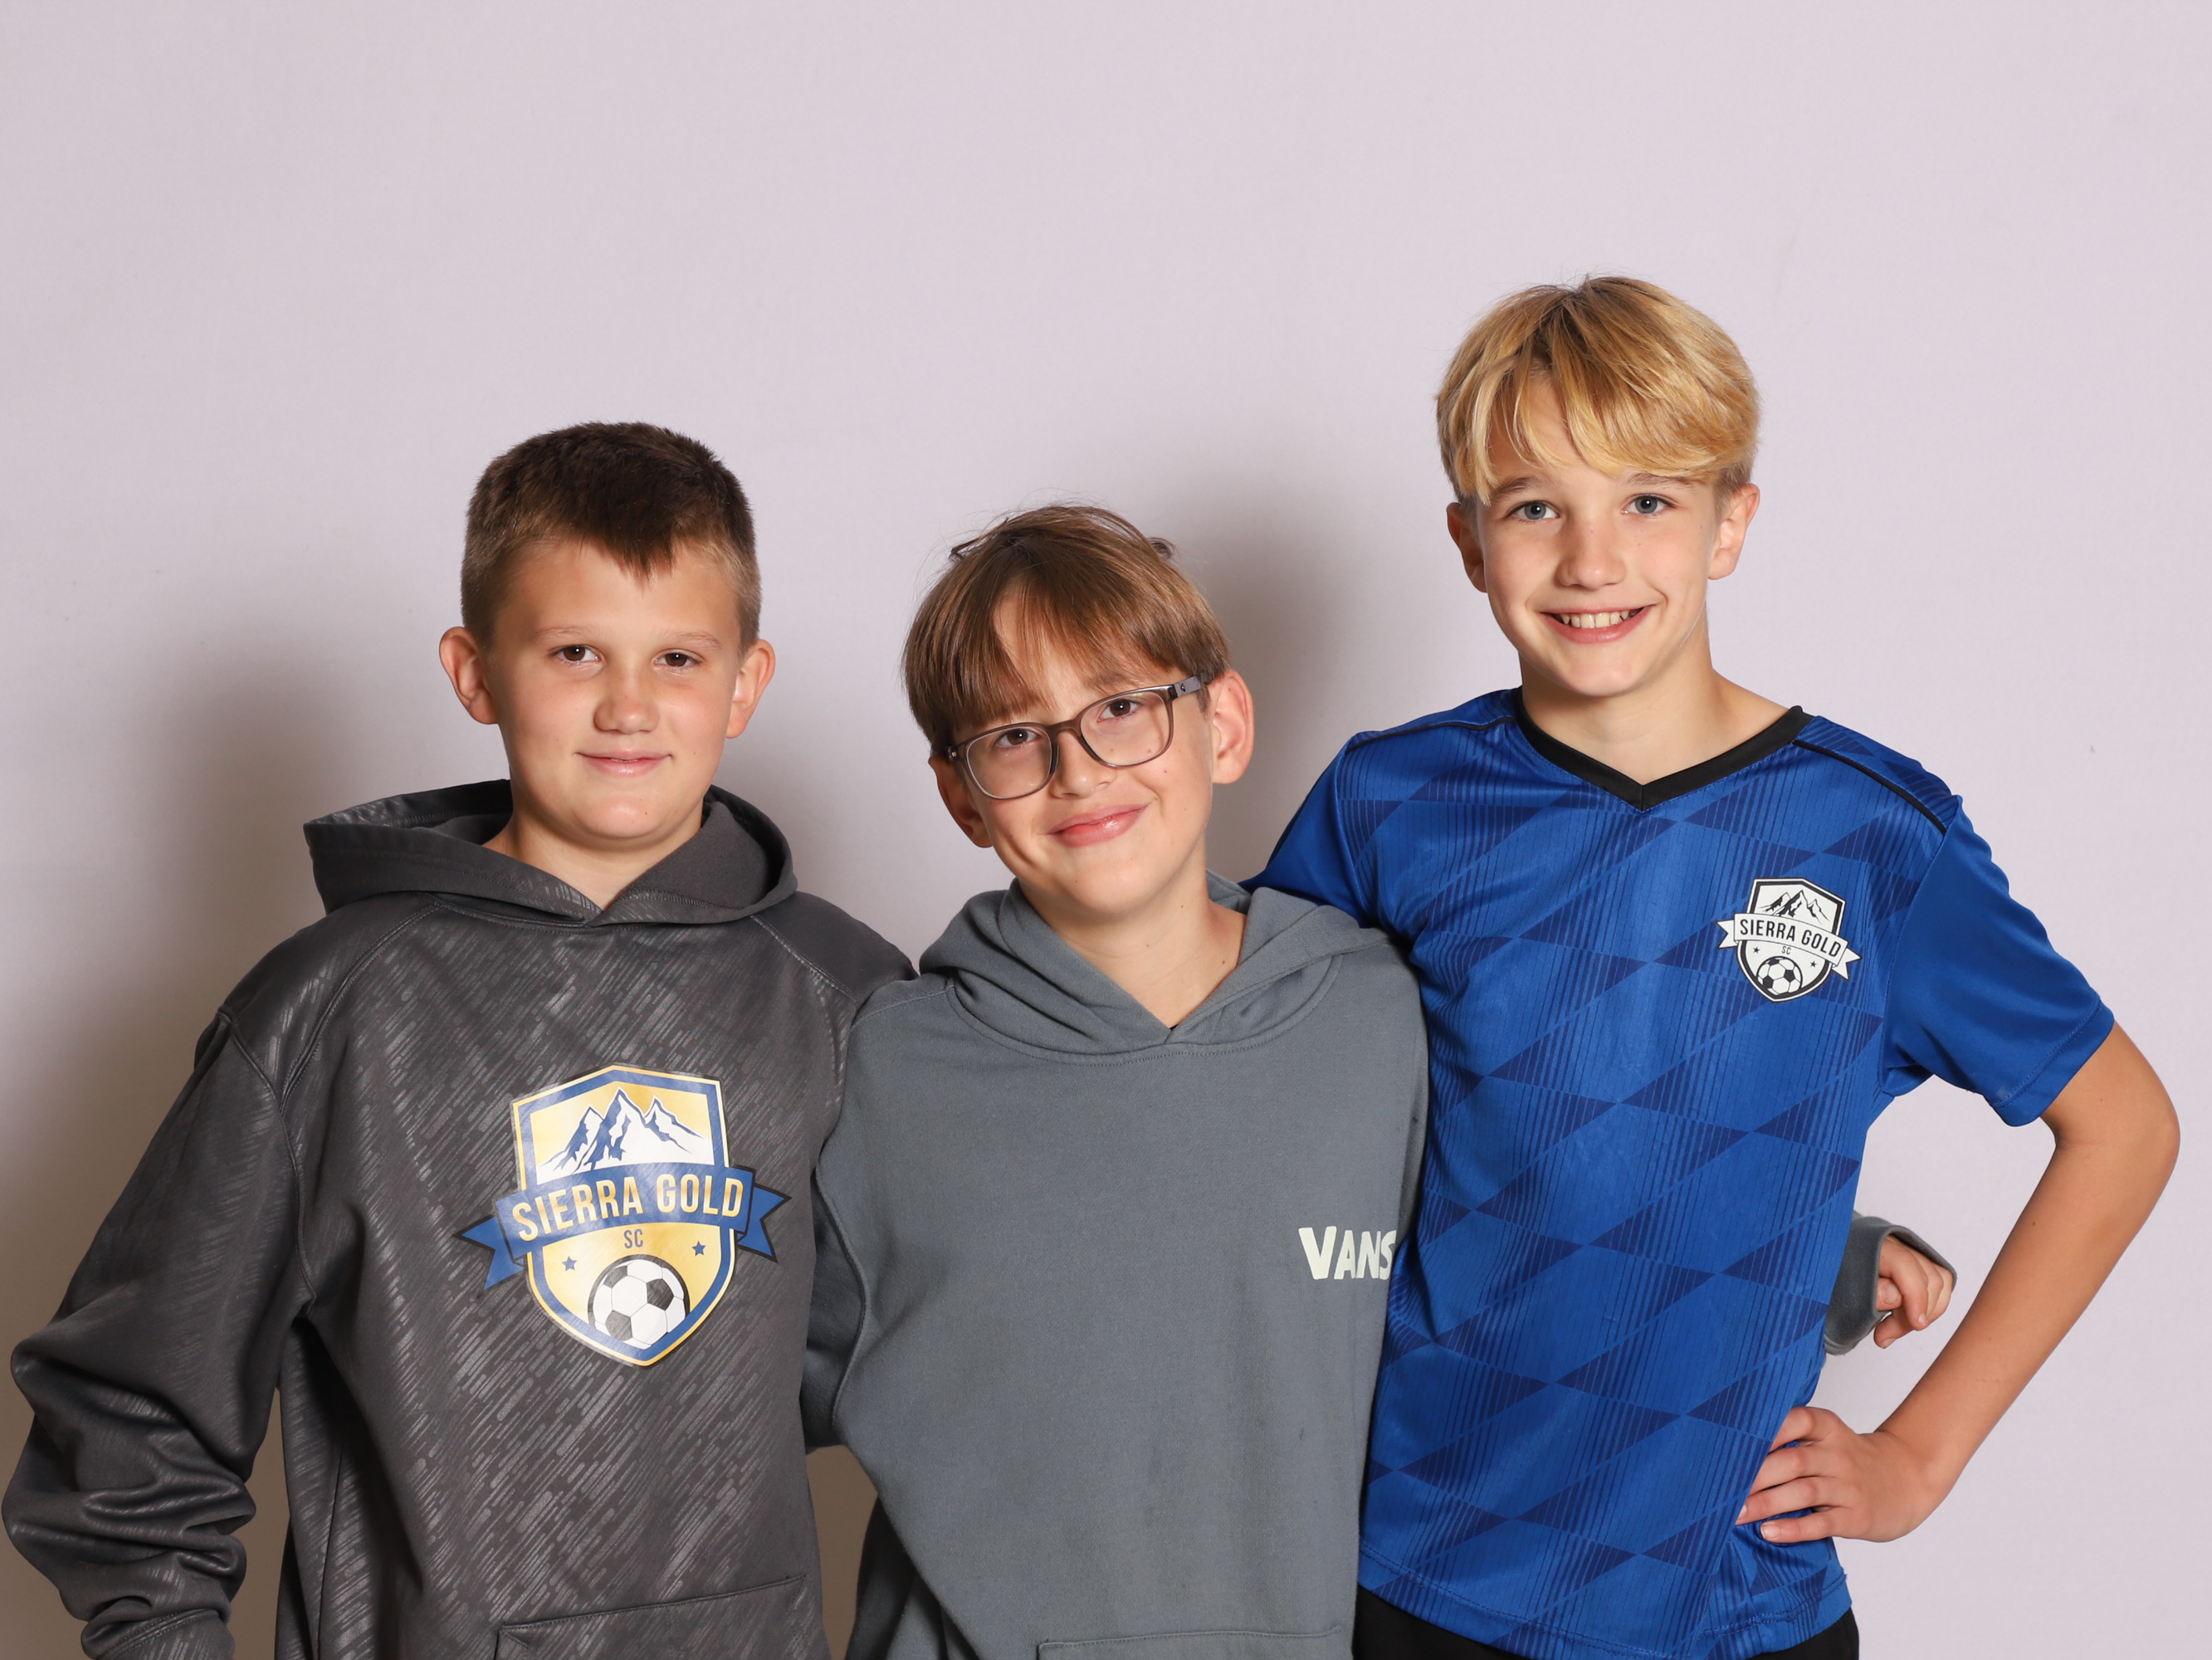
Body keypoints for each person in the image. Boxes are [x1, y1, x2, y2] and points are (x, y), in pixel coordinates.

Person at [803, 506, 1949, 1660]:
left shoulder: (1376, 1015)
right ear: (960, 794)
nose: (1079, 771)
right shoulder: (876, 1067)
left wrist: (1821, 1256)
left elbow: (1528, 1185)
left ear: (1224, 724)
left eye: (1122, 710)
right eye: (1014, 736)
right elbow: (742, 1377)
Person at [1253, 278, 2181, 1660]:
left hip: (1731, 1608)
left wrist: (1920, 1455)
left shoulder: (1873, 837)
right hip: (1422, 1573)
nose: (1591, 559)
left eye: (1648, 501)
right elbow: (1268, 1129)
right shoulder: (1393, 805)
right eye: (1534, 507)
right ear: (1468, 543)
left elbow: (2126, 1128)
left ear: (1730, 522)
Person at [2, 423, 906, 1660]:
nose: (629, 705)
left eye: (678, 657)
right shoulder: (331, 1010)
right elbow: (129, 1406)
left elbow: (912, 1358)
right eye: (575, 652)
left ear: (745, 684)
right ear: (475, 673)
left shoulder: (843, 992)